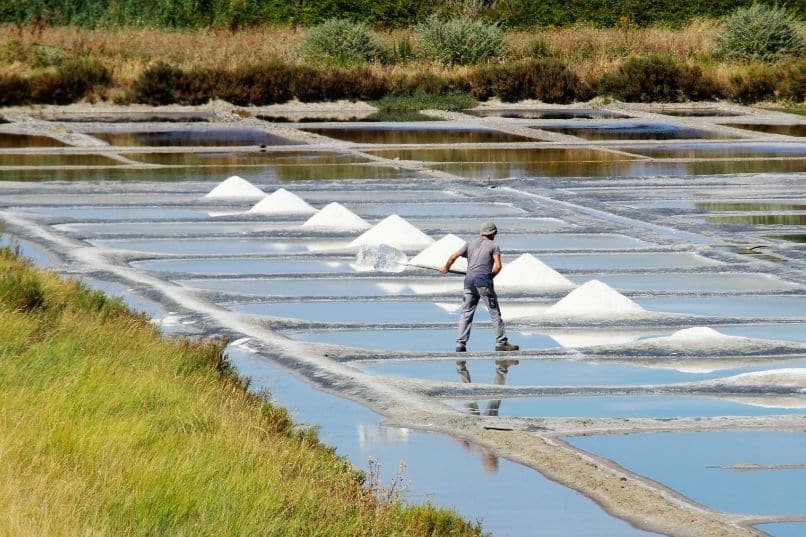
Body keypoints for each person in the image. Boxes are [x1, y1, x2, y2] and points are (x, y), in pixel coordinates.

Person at [440, 221, 519, 352]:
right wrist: (490, 277)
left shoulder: (469, 244)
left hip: (469, 282)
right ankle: (501, 343)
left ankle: (460, 344)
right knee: (494, 313)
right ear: (493, 233)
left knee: (466, 313)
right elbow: (498, 266)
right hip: (483, 283)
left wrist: (446, 268)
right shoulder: (494, 246)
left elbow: (453, 257)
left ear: (482, 232)